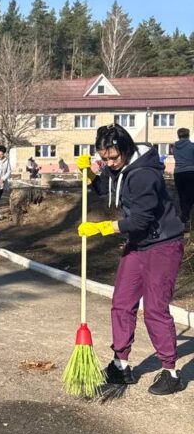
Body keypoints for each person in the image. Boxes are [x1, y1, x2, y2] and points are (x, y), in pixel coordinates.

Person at [77, 123, 184, 395]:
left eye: (114, 157)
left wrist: (102, 228)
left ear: (126, 149)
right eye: (104, 158)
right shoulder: (119, 168)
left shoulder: (145, 175)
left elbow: (139, 221)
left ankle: (170, 371)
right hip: (138, 244)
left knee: (155, 308)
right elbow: (106, 189)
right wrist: (90, 175)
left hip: (163, 244)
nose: (110, 163)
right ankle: (121, 364)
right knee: (122, 302)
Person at [172, 127, 194, 229]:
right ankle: (184, 217)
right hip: (190, 172)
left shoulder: (174, 148)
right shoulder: (192, 146)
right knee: (190, 195)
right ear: (188, 135)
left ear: (178, 136)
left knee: (182, 196)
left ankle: (184, 218)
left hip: (178, 173)